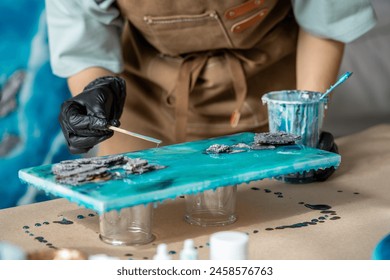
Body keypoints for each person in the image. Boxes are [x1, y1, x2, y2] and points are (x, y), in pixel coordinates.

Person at [45, 0, 376, 181]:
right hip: (145, 100)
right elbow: (84, 35)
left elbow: (324, 15)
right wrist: (95, 94)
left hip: (269, 100)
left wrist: (306, 124)